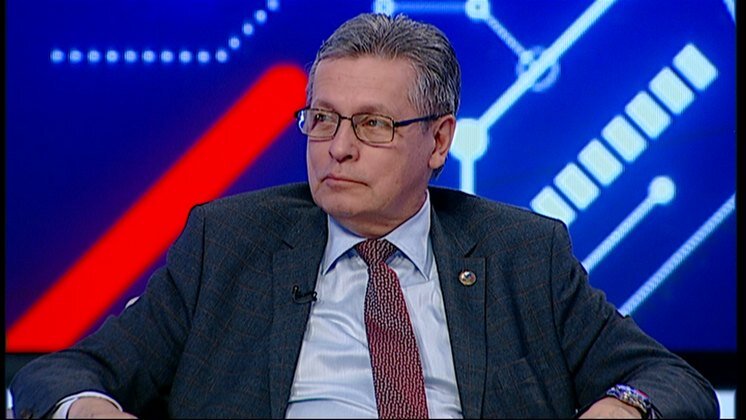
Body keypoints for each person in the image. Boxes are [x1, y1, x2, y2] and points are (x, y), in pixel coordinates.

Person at [10, 12, 718, 419]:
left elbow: (674, 381)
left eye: (373, 124)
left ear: (438, 141)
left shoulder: (521, 253)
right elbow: (60, 374)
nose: (338, 147)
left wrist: (622, 407)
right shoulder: (227, 242)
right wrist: (89, 410)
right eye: (322, 119)